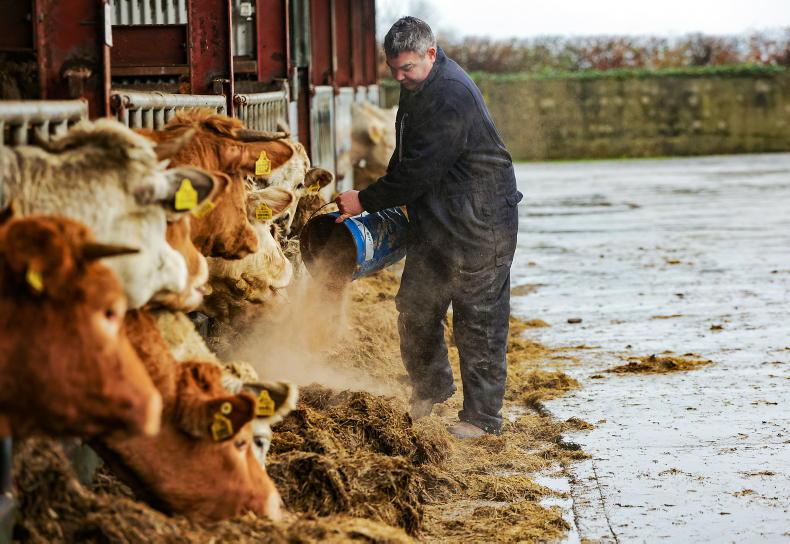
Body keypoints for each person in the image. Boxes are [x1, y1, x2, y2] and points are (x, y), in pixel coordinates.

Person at [335, 16, 522, 439]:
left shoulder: (450, 93)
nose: (401, 77)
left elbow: (420, 170)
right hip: (439, 216)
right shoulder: (418, 85)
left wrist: (365, 199)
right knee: (416, 308)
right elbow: (407, 155)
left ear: (431, 54)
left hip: (481, 219)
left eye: (408, 68)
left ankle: (483, 419)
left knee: (479, 319)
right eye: (394, 69)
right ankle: (432, 388)